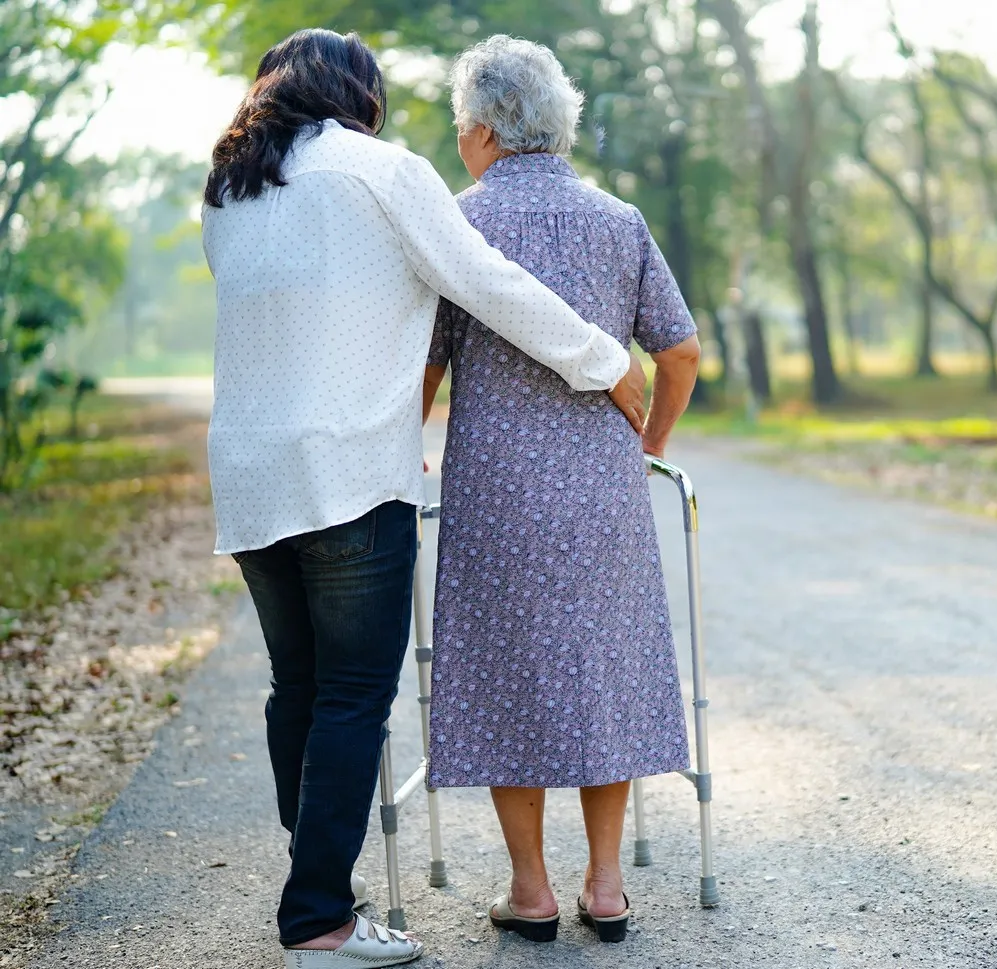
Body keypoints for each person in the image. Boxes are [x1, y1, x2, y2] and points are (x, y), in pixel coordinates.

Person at [202, 28, 647, 969]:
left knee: (300, 687)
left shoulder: (230, 187)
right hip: (351, 472)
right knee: (356, 696)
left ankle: (320, 882)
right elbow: (487, 283)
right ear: (357, 94)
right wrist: (605, 360)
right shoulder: (381, 170)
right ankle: (320, 917)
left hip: (249, 472)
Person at [420, 35, 702, 945]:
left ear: (488, 130)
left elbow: (423, 365)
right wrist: (650, 442)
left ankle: (531, 890)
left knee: (511, 674)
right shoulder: (619, 220)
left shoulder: (456, 223)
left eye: (464, 124)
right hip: (603, 491)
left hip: (495, 490)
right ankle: (608, 885)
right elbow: (681, 350)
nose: (461, 139)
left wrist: (406, 447)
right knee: (604, 671)